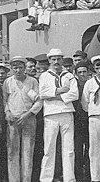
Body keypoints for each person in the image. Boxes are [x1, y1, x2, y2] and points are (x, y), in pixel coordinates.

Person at [39, 48, 79, 182]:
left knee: (69, 149)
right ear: (49, 60)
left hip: (67, 113)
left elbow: (75, 94)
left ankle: (69, 178)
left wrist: (55, 96)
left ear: (62, 59)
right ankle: (46, 179)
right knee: (49, 148)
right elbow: (43, 94)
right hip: (50, 114)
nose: (56, 62)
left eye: (58, 59)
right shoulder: (44, 76)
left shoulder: (69, 76)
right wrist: (60, 90)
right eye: (53, 59)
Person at [3, 56, 42, 182]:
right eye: (15, 68)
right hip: (13, 120)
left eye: (20, 67)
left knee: (27, 152)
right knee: (12, 152)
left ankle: (26, 179)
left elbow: (39, 101)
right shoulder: (8, 82)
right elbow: (4, 100)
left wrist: (28, 114)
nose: (18, 70)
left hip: (28, 118)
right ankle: (14, 179)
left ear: (24, 68)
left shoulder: (32, 82)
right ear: (11, 69)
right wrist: (7, 112)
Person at [74, 61, 91, 182]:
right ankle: (78, 174)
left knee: (90, 148)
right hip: (76, 121)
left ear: (88, 72)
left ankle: (89, 173)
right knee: (77, 148)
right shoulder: (74, 86)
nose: (82, 74)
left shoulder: (92, 84)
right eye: (80, 72)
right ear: (76, 74)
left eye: (84, 72)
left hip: (90, 120)